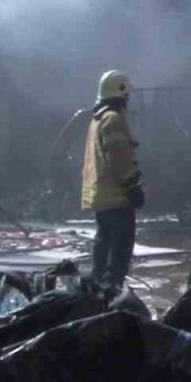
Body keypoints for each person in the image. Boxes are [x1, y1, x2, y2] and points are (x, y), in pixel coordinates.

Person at [81, 70, 144, 295]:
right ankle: (111, 294)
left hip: (102, 199)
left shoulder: (97, 120)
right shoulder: (113, 119)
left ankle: (97, 293)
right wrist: (132, 184)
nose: (128, 101)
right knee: (119, 251)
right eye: (127, 96)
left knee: (103, 246)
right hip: (117, 198)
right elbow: (119, 155)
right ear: (121, 95)